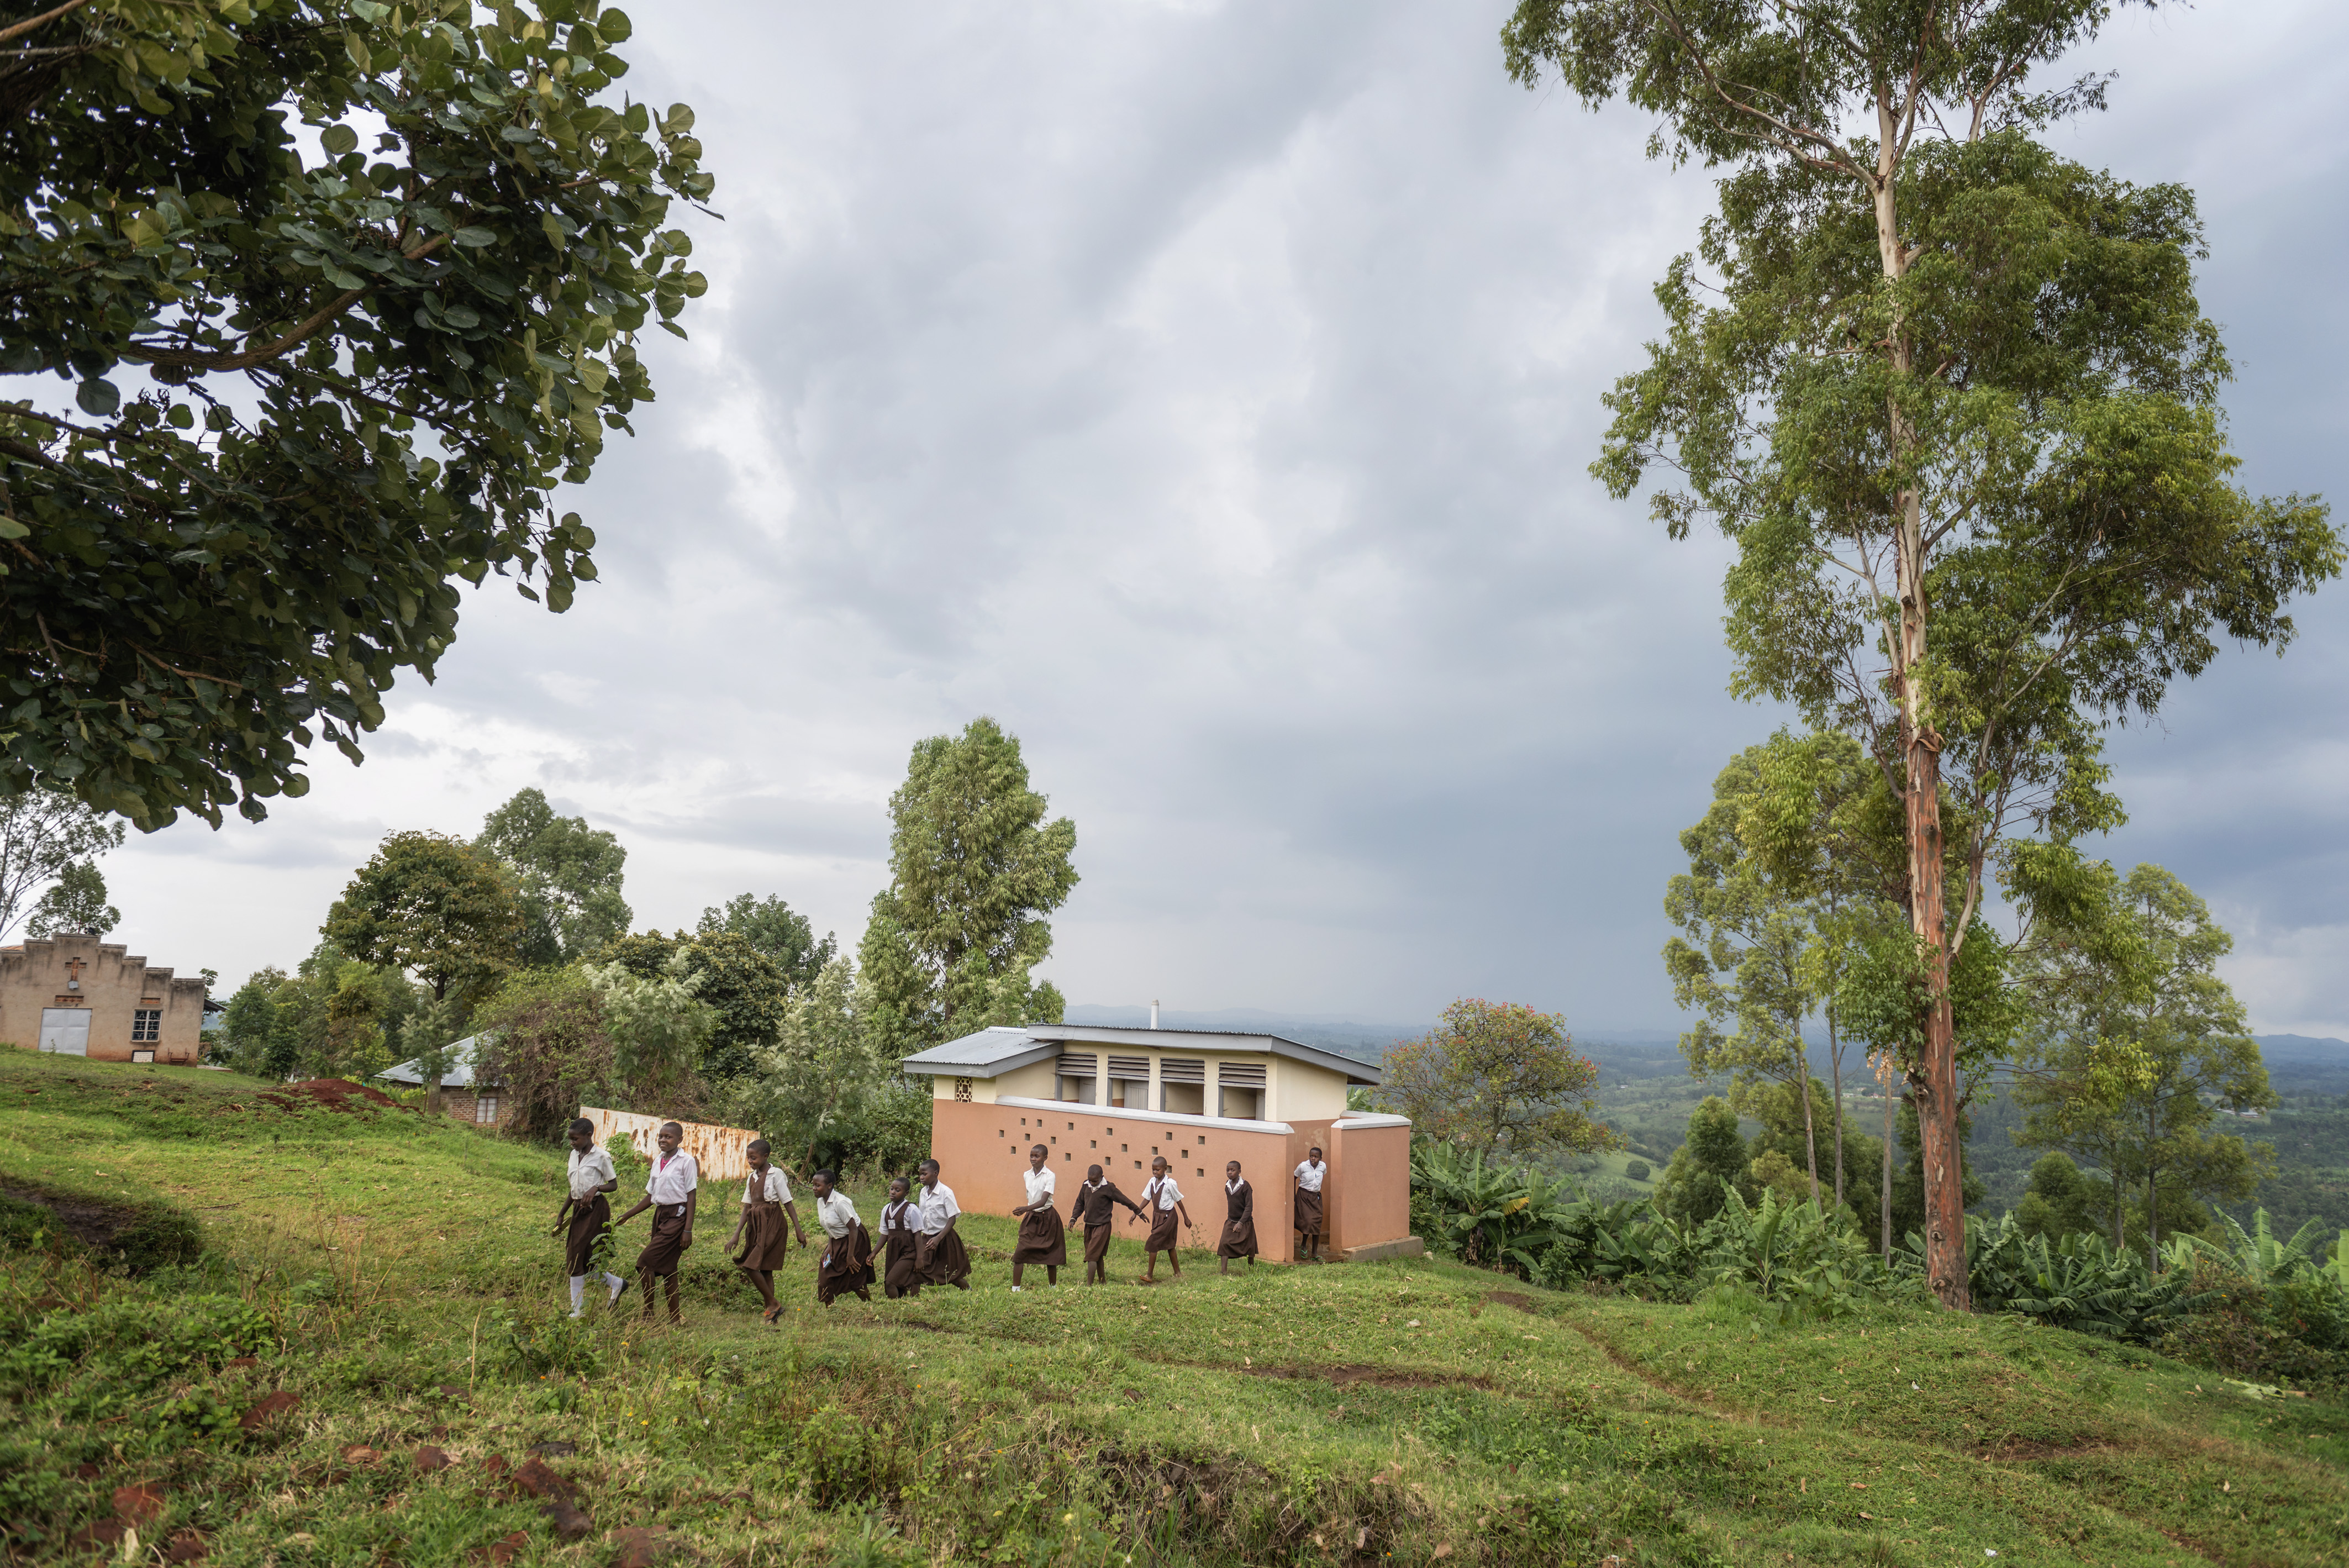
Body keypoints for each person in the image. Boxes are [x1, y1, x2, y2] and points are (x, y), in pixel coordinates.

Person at [615, 1120, 698, 1325]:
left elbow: (692, 1196)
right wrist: (627, 1215)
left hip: (677, 1217)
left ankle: (648, 1314)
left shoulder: (686, 1161)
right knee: (669, 1268)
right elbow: (651, 1196)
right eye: (660, 1136)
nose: (663, 1140)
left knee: (645, 1263)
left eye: (668, 1137)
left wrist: (688, 1229)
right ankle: (675, 1319)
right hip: (660, 1215)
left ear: (679, 1140)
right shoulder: (658, 1160)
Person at [551, 1118, 627, 1317]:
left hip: (596, 1210)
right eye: (570, 1139)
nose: (572, 1143)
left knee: (580, 1256)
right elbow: (574, 1189)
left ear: (588, 1136)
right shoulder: (573, 1155)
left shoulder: (602, 1157)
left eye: (575, 1139)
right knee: (583, 1259)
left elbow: (613, 1185)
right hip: (578, 1210)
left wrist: (596, 1188)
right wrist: (562, 1214)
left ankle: (578, 1312)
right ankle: (617, 1284)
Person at [728, 1138, 808, 1324]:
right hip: (756, 1225)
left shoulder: (775, 1174)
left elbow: (787, 1202)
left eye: (753, 1158)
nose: (750, 1161)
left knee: (749, 1265)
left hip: (773, 1223)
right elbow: (747, 1207)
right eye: (748, 1158)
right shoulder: (751, 1177)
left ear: (765, 1156)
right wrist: (736, 1235)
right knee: (765, 1269)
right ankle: (771, 1313)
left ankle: (773, 1304)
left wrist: (799, 1230)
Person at [1067, 1163, 1143, 1286]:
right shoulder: (1085, 1186)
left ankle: (1089, 1286)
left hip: (1102, 1226)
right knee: (1098, 1255)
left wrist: (1138, 1211)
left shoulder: (1108, 1188)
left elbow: (1124, 1200)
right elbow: (1080, 1203)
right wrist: (1073, 1218)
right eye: (1090, 1180)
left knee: (1091, 1255)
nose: (1092, 1183)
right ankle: (1103, 1281)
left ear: (1102, 1177)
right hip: (1089, 1226)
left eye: (1095, 1181)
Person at [811, 1170, 875, 1306]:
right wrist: (830, 1246)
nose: (814, 1188)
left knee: (854, 1277)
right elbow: (830, 1226)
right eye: (813, 1185)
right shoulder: (821, 1202)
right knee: (825, 1274)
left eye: (818, 1185)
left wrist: (850, 1256)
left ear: (829, 1186)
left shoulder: (840, 1203)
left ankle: (869, 1306)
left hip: (855, 1240)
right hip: (837, 1241)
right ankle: (831, 1309)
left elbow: (853, 1229)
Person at [1008, 1143, 1066, 1290]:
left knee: (1050, 1253)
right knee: (1021, 1251)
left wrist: (1025, 1209)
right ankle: (1016, 1289)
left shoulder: (1050, 1176)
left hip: (1048, 1218)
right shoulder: (1026, 1175)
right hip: (1032, 1218)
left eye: (1037, 1156)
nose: (1033, 1159)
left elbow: (1043, 1200)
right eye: (1031, 1156)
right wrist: (1028, 1211)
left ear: (1045, 1158)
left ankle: (1053, 1288)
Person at [913, 1157, 971, 1291]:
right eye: (920, 1174)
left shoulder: (945, 1192)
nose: (921, 1177)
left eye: (924, 1174)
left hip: (944, 1238)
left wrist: (938, 1239)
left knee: (951, 1274)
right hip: (927, 1238)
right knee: (918, 1267)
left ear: (935, 1173)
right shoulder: (923, 1192)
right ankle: (913, 1299)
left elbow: (952, 1219)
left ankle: (968, 1290)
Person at [1139, 1156, 1192, 1285]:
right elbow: (1147, 1198)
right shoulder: (1152, 1182)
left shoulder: (1170, 1184)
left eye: (1158, 1170)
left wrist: (1186, 1218)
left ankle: (1150, 1275)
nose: (1155, 1172)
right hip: (1157, 1216)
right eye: (1153, 1170)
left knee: (1153, 1243)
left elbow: (1178, 1201)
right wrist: (1137, 1212)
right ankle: (1177, 1273)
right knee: (1170, 1246)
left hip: (1169, 1217)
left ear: (1165, 1169)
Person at [878, 1176, 923, 1299]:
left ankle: (896, 1308)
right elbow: (884, 1234)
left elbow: (918, 1235)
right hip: (893, 1252)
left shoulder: (911, 1210)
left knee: (890, 1282)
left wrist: (919, 1258)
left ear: (906, 1193)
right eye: (892, 1189)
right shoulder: (886, 1209)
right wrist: (874, 1253)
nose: (893, 1192)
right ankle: (902, 1305)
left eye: (898, 1190)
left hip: (909, 1252)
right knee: (899, 1286)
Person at [1216, 1159, 1257, 1275]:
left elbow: (1249, 1207)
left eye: (1233, 1170)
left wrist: (1241, 1223)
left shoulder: (1246, 1186)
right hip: (1231, 1221)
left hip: (1245, 1222)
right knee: (1224, 1243)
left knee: (1250, 1248)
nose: (1229, 1172)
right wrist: (1235, 1222)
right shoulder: (1227, 1186)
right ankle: (1223, 1272)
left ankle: (1252, 1271)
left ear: (1239, 1171)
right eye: (1228, 1170)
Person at [1293, 1145, 1328, 1263]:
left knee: (1317, 1222)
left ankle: (1314, 1253)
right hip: (1304, 1196)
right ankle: (1303, 1245)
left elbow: (1323, 1175)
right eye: (1311, 1156)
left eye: (1316, 1157)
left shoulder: (1323, 1167)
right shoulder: (1303, 1166)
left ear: (1320, 1158)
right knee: (1308, 1221)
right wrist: (1294, 1195)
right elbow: (1293, 1177)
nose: (1313, 1159)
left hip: (1316, 1197)